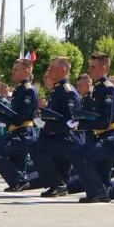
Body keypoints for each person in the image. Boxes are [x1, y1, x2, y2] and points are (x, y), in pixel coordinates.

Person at [67, 53, 114, 203]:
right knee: (104, 183)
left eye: (93, 67)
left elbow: (104, 121)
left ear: (104, 68)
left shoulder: (108, 89)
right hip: (101, 137)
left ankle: (97, 192)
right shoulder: (99, 88)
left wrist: (80, 124)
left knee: (77, 153)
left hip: (110, 138)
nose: (89, 70)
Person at [0, 58, 39, 191]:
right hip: (17, 131)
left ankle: (19, 180)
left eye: (16, 69)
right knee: (18, 163)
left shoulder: (28, 90)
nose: (12, 72)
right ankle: (20, 182)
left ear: (26, 71)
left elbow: (19, 118)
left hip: (24, 133)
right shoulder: (20, 89)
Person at [31, 57, 84, 197]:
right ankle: (60, 184)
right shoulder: (56, 90)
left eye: (52, 68)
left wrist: (50, 127)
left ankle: (58, 184)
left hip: (69, 137)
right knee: (47, 149)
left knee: (37, 148)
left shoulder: (68, 92)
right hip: (59, 135)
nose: (49, 70)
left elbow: (71, 120)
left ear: (63, 70)